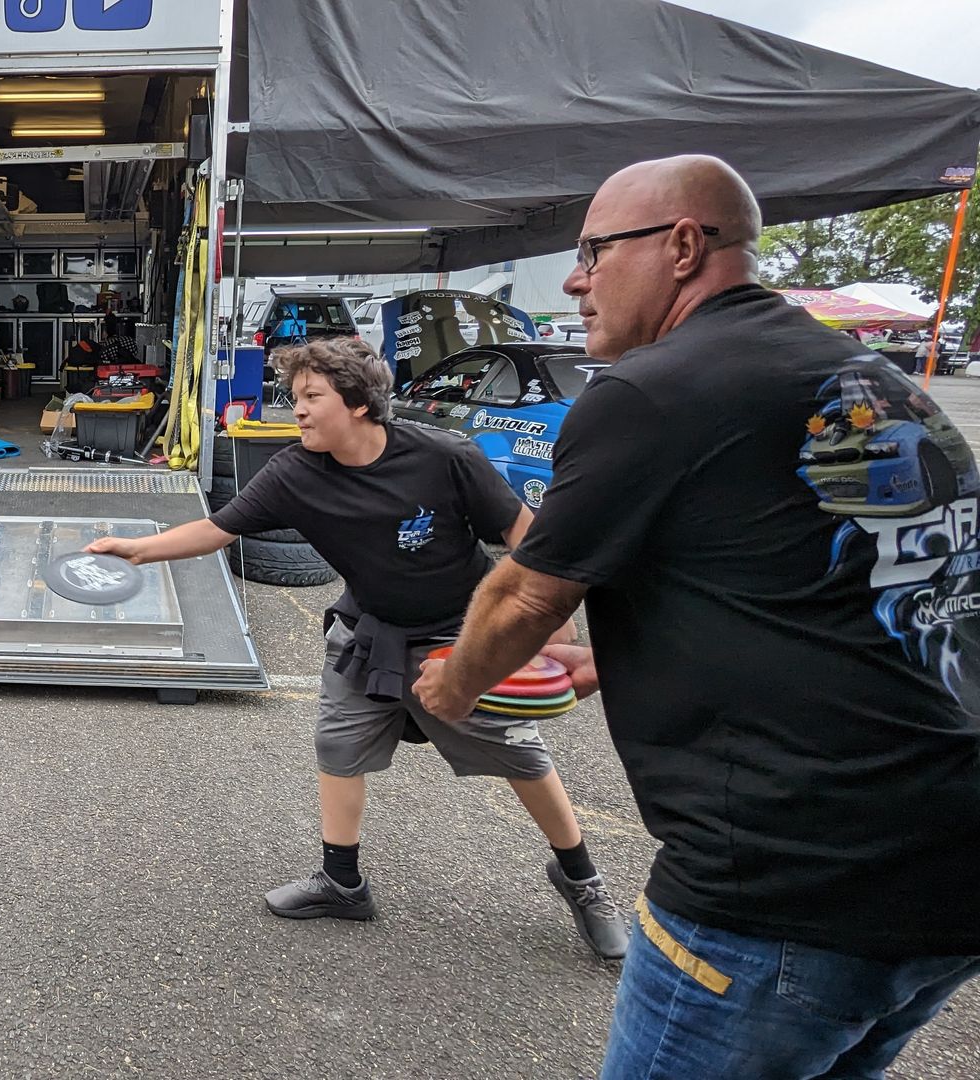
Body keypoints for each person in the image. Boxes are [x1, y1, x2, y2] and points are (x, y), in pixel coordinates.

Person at [414, 154, 980, 1077]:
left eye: (595, 249)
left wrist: (453, 684)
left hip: (789, 880)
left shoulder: (653, 388)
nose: (574, 277)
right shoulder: (863, 378)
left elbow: (526, 592)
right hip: (947, 867)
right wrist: (647, 655)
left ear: (682, 246)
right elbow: (849, 582)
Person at [87, 336, 629, 960]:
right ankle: (342, 883)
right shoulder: (295, 472)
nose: (299, 410)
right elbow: (215, 530)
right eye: (295, 397)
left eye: (312, 396)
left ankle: (583, 881)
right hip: (369, 629)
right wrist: (134, 549)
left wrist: (546, 627)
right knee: (338, 745)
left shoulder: (444, 456)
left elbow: (527, 540)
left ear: (361, 403)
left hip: (461, 633)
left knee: (518, 754)